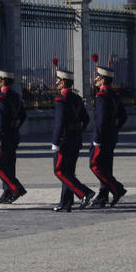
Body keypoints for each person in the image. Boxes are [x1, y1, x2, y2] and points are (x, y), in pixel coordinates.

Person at [51, 68, 93, 212]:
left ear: (63, 82)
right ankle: (66, 202)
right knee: (69, 172)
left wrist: (56, 142)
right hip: (75, 139)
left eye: (58, 80)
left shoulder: (61, 100)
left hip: (65, 141)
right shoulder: (77, 98)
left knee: (60, 170)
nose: (56, 82)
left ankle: (84, 193)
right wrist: (78, 131)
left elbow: (59, 123)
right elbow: (86, 119)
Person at [86, 64, 128, 208]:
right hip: (111, 137)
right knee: (106, 167)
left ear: (103, 79)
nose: (95, 79)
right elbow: (123, 116)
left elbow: (101, 121)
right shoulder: (114, 95)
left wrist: (97, 139)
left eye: (97, 77)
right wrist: (114, 129)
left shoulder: (102, 96)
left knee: (95, 165)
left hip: (102, 138)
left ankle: (117, 189)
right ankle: (103, 196)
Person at [0, 66, 27, 204]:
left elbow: (0, 121)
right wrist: (15, 125)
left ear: (3, 81)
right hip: (13, 135)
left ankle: (16, 189)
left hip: (3, 137)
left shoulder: (1, 97)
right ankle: (7, 193)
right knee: (9, 166)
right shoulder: (15, 96)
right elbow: (23, 115)